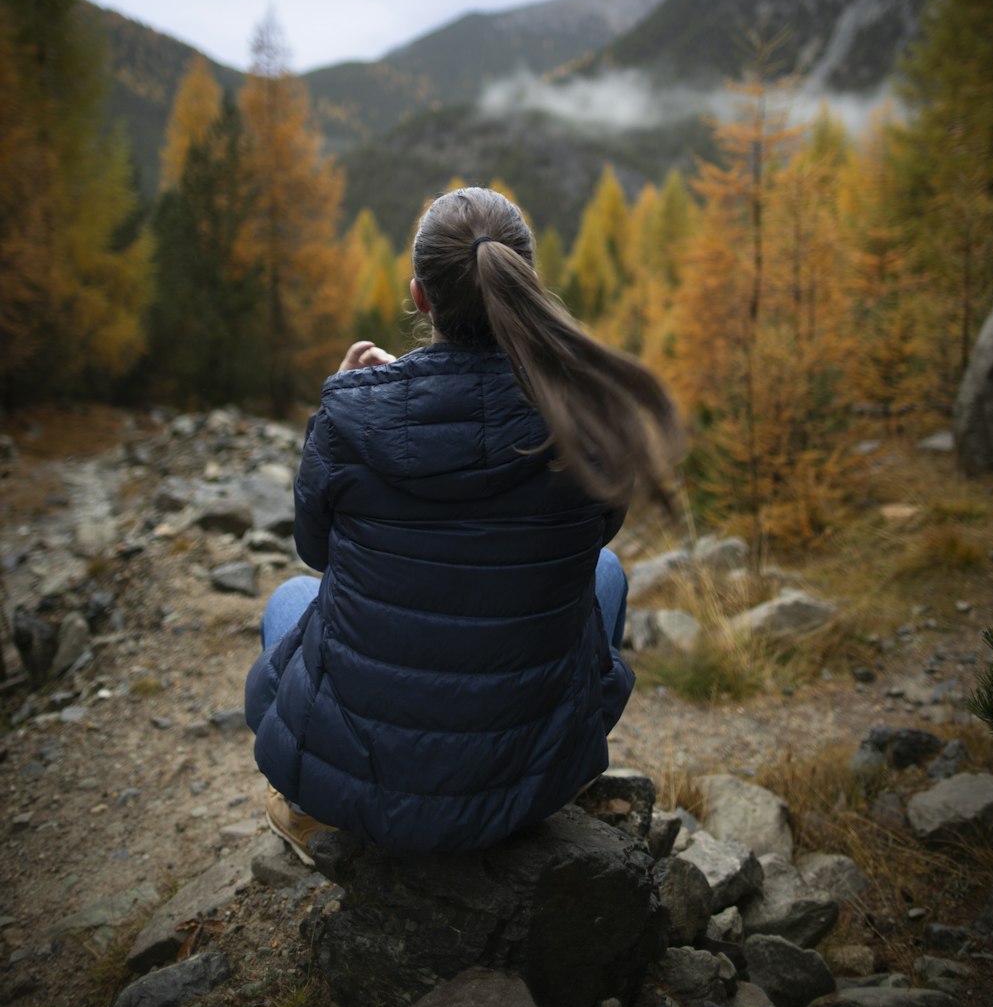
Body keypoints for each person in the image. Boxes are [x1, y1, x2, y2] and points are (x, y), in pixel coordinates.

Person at [245, 185, 682, 862]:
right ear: (523, 285)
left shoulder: (349, 417)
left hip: (367, 784)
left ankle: (312, 810)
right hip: (526, 785)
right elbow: (595, 531)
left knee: (290, 599)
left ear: (421, 296)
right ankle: (538, 767)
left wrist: (374, 403)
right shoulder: (581, 419)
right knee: (604, 570)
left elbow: (315, 549)